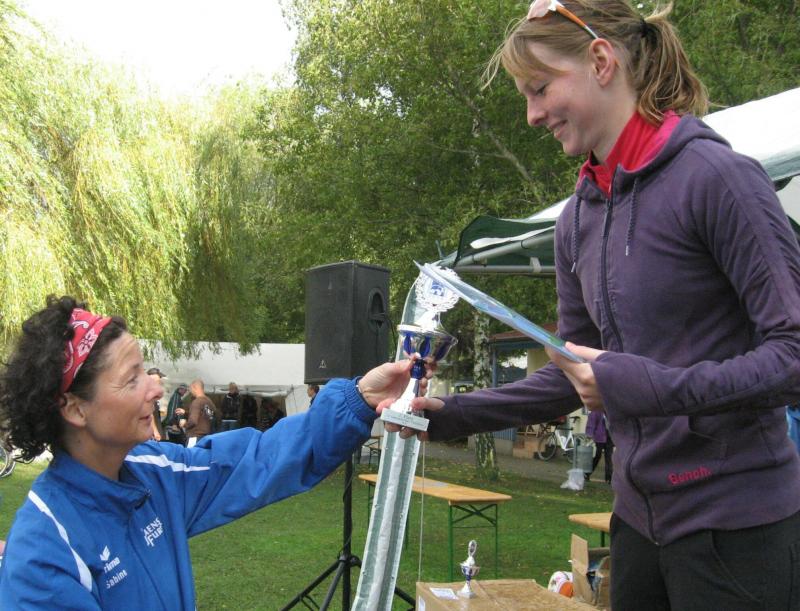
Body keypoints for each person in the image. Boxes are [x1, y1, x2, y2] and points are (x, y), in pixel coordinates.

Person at [400, 2, 800, 609]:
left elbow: (792, 357)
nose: (532, 115)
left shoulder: (718, 179)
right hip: (636, 525)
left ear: (601, 61)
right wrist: (449, 414)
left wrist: (640, 386)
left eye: (540, 88)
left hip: (737, 527)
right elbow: (575, 371)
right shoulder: (577, 219)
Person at [0, 296, 428, 609]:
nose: (155, 389)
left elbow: (261, 459)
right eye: (132, 379)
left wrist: (358, 399)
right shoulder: (45, 554)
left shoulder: (156, 474)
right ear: (75, 408)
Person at [184, 379, 218, 447]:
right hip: (207, 437)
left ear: (195, 387)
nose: (191, 391)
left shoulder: (197, 402)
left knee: (191, 454)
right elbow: (214, 417)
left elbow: (193, 421)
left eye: (191, 389)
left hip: (195, 436)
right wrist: (185, 412)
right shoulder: (209, 402)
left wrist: (185, 424)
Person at [584, 409, 612, 483]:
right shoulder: (597, 411)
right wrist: (589, 434)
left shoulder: (611, 410)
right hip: (600, 437)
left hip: (610, 437)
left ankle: (609, 478)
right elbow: (591, 422)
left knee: (609, 457)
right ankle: (587, 473)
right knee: (597, 456)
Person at [146, 367, 166, 441]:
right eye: (158, 380)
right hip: (151, 434)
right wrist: (155, 431)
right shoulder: (147, 394)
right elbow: (149, 414)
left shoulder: (152, 393)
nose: (159, 382)